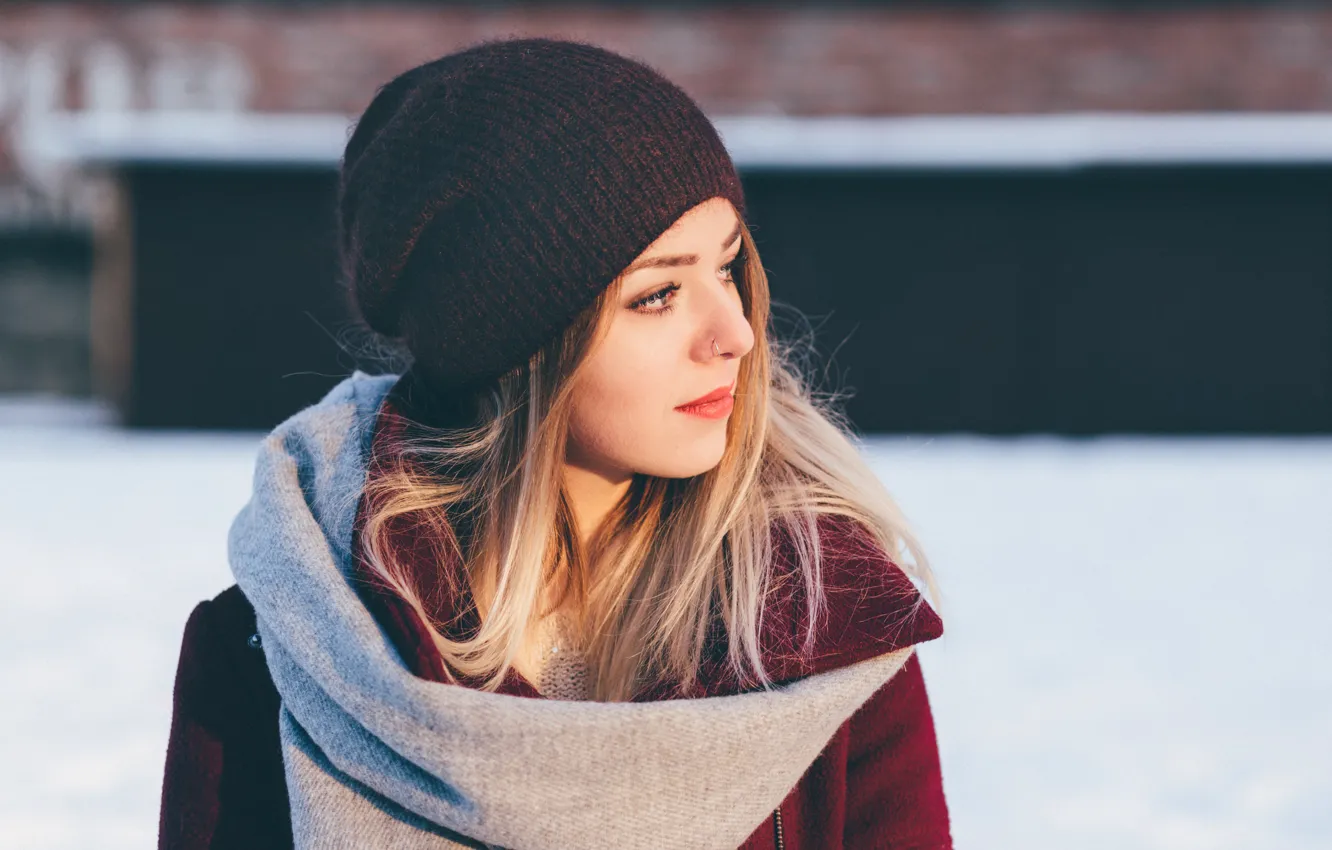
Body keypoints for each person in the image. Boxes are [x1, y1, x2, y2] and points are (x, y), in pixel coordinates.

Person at [157, 36, 952, 850]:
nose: (737, 333)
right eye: (659, 294)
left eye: (728, 266)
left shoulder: (820, 629)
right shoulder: (285, 651)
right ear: (516, 346)